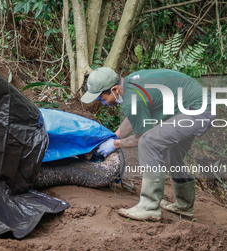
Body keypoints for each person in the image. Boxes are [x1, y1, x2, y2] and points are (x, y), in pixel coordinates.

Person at [81, 67, 215, 221]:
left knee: (149, 142)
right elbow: (132, 118)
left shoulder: (133, 98)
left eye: (101, 98)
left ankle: (149, 206)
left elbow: (140, 138)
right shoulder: (131, 83)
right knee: (171, 154)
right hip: (192, 107)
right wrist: (113, 137)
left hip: (197, 110)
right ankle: (184, 205)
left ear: (115, 89)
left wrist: (115, 144)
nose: (102, 103)